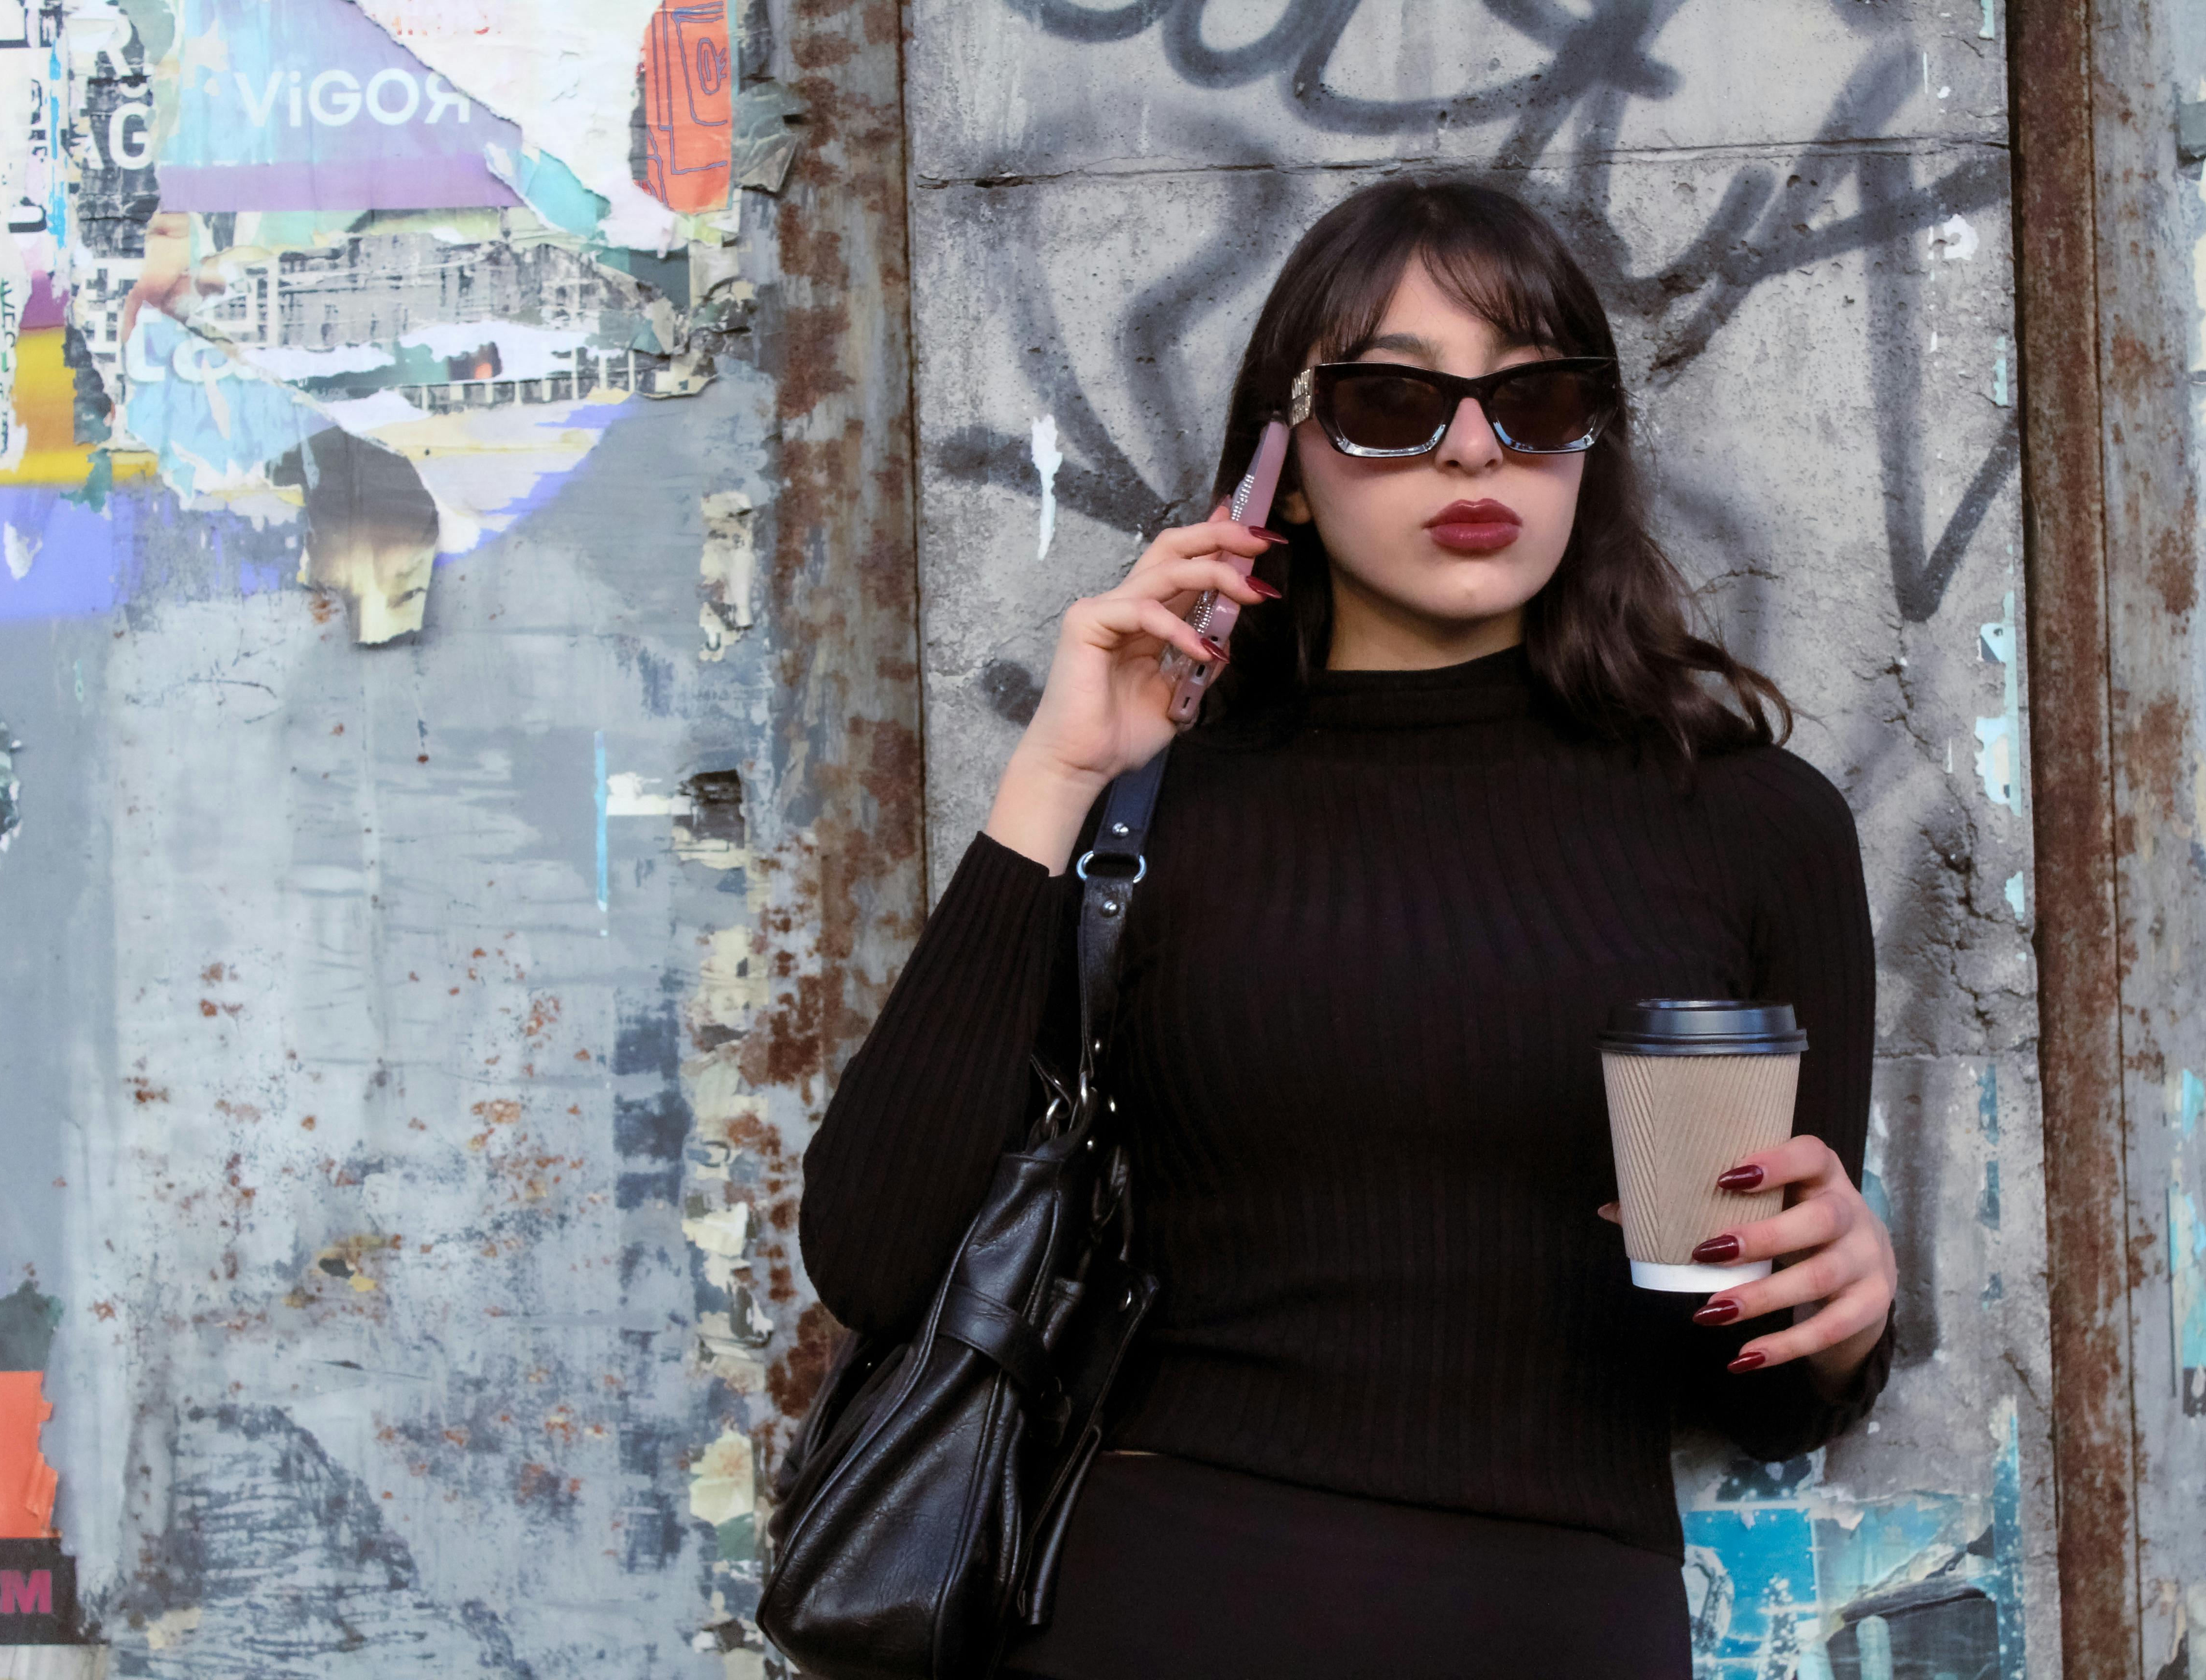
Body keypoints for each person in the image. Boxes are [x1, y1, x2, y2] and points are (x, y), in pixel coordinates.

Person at [798, 178, 1897, 1680]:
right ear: (1287, 469)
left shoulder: (1758, 824)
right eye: (1390, 401)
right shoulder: (1155, 810)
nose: (1470, 445)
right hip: (1165, 1609)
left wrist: (1842, 1311)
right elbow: (873, 1256)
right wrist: (1057, 777)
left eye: (1538, 398)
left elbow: (1762, 1386)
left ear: (1592, 446)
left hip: (1559, 1625)